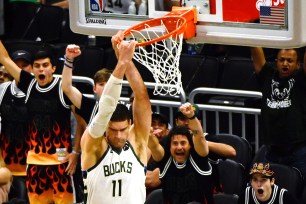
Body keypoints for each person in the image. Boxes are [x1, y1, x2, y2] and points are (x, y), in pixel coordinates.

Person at [63, 31, 151, 203]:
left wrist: (126, 59)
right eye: (113, 130)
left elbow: (142, 97)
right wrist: (122, 61)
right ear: (105, 128)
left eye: (123, 130)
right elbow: (105, 109)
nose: (118, 135)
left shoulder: (137, 141)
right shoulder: (93, 144)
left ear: (130, 125)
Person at [0, 42, 81, 204]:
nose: (41, 69)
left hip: (60, 161)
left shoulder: (64, 89)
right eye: (37, 66)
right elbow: (5, 58)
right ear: (33, 70)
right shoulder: (28, 85)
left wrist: (76, 152)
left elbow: (82, 122)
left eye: (45, 65)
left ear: (53, 68)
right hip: (35, 162)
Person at [250, 47, 306, 183]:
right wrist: (249, 28)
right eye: (282, 60)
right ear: (276, 62)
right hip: (272, 151)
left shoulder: (301, 79)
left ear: (298, 64)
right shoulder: (268, 76)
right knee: (271, 192)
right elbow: (255, 50)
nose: (285, 63)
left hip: (298, 151)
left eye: (290, 61)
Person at [149, 102, 214, 204]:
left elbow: (199, 136)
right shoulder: (165, 159)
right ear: (169, 147)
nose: (179, 147)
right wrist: (149, 135)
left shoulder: (199, 158)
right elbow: (154, 146)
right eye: (175, 143)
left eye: (183, 143)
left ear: (190, 146)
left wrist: (191, 116)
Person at [0, 50, 33, 203]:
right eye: (16, 65)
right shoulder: (2, 89)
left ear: (32, 68)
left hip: (31, 169)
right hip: (5, 169)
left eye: (24, 65)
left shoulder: (38, 91)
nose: (20, 69)